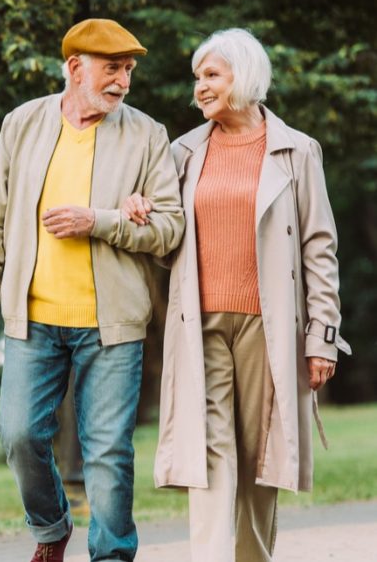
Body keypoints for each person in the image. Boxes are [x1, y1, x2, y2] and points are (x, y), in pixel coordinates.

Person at [0, 18, 184, 562]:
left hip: (112, 326)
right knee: (19, 437)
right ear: (75, 67)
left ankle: (111, 556)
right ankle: (51, 525)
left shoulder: (147, 135)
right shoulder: (22, 125)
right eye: (113, 69)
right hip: (31, 321)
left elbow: (170, 230)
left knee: (108, 453)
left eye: (129, 70)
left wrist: (100, 220)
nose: (123, 82)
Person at [145, 28, 351, 562]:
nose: (200, 88)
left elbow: (319, 247)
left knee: (261, 457)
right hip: (201, 323)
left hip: (269, 324)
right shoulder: (181, 152)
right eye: (197, 78)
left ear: (246, 76)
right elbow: (164, 234)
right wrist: (137, 207)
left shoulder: (297, 151)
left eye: (211, 75)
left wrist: (321, 338)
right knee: (209, 453)